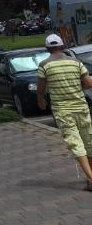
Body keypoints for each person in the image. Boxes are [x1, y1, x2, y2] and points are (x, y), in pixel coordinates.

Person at [37, 33, 92, 191]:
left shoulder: (44, 65)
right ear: (62, 46)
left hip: (62, 110)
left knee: (75, 142)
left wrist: (41, 101)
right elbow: (87, 83)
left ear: (47, 48)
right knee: (88, 141)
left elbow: (41, 88)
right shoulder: (75, 62)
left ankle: (90, 178)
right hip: (81, 107)